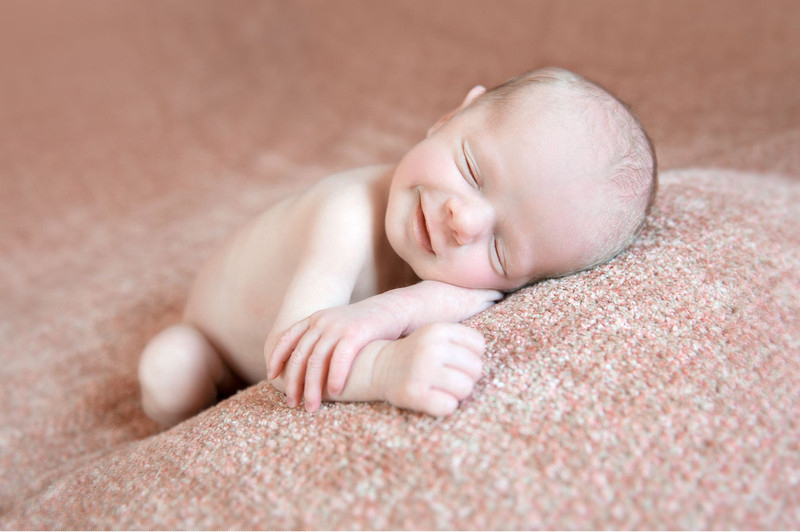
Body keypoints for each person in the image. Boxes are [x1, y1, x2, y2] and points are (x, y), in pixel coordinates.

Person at [138, 67, 657, 426]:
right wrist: (386, 369)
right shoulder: (346, 213)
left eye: (499, 249)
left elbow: (473, 299)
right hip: (215, 346)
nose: (464, 220)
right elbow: (287, 354)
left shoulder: (466, 268)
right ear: (451, 117)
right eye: (473, 171)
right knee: (170, 372)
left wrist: (403, 305)